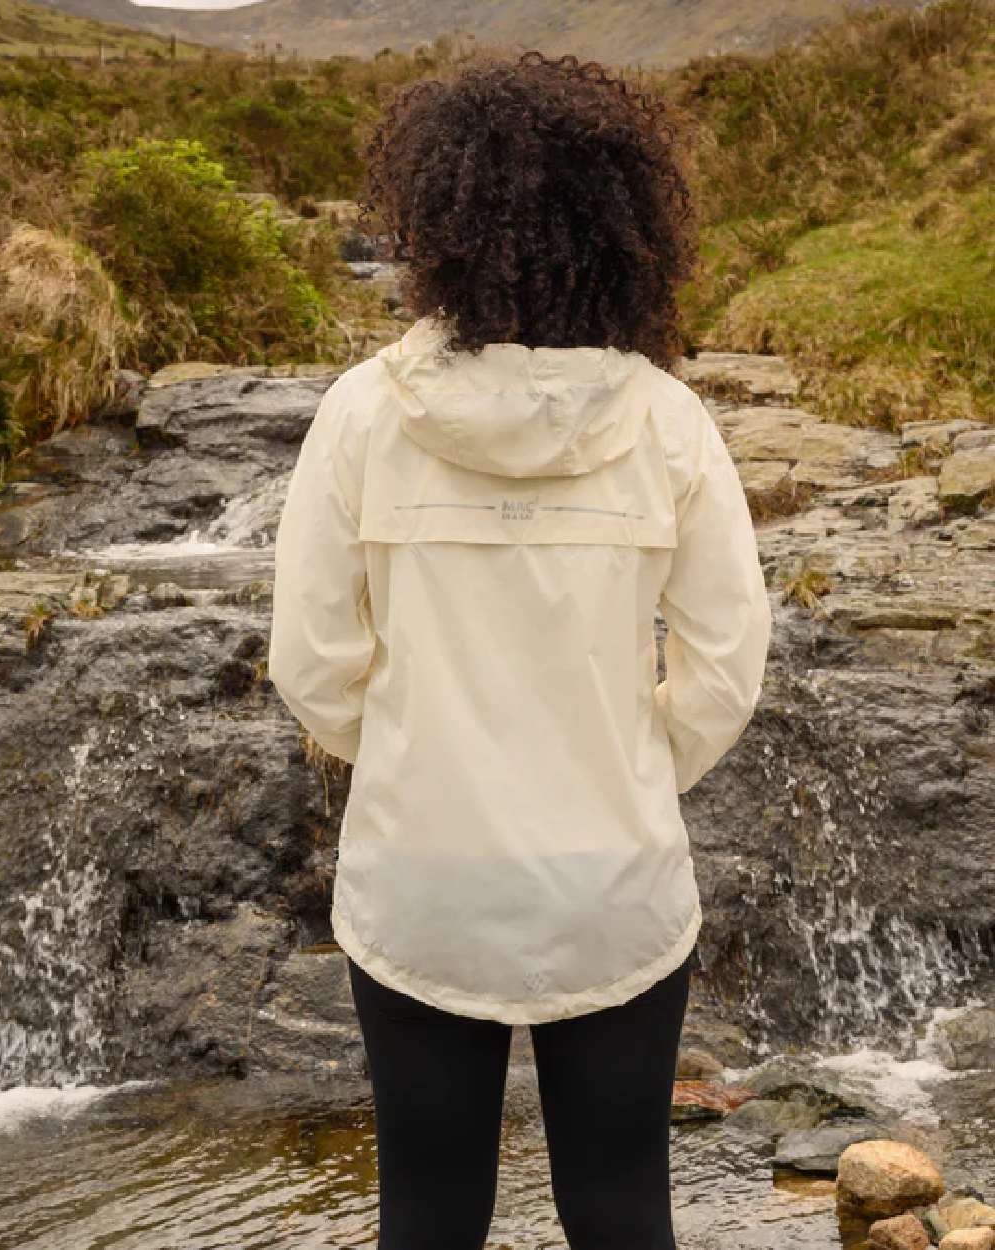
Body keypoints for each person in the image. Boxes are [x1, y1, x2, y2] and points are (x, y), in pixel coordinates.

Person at [268, 48, 772, 1250]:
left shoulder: (360, 414)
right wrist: (629, 763)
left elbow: (312, 659)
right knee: (620, 1210)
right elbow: (723, 666)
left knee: (427, 1215)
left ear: (436, 219)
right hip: (612, 875)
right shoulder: (668, 420)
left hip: (422, 873)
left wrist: (403, 750)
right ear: (624, 225)